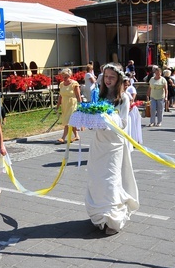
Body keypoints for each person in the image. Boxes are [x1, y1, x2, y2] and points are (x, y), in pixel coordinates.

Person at [85, 63, 139, 235]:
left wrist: (108, 118)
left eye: (112, 77)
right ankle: (101, 215)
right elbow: (94, 121)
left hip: (114, 145)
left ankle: (113, 219)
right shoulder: (99, 96)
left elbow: (123, 123)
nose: (108, 80)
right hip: (98, 144)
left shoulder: (123, 98)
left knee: (110, 181)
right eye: (106, 76)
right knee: (97, 179)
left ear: (119, 79)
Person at [55, 68, 81, 143]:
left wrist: (81, 105)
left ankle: (63, 138)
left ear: (70, 76)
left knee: (68, 121)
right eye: (63, 77)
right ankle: (76, 135)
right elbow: (60, 96)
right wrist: (57, 105)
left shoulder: (74, 84)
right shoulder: (61, 84)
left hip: (72, 104)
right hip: (65, 105)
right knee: (70, 121)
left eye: (66, 77)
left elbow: (78, 96)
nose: (64, 78)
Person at [124, 77, 142, 144]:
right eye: (125, 85)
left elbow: (131, 101)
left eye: (127, 85)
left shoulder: (128, 93)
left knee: (132, 125)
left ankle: (133, 139)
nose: (126, 87)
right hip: (124, 112)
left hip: (130, 111)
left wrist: (129, 108)